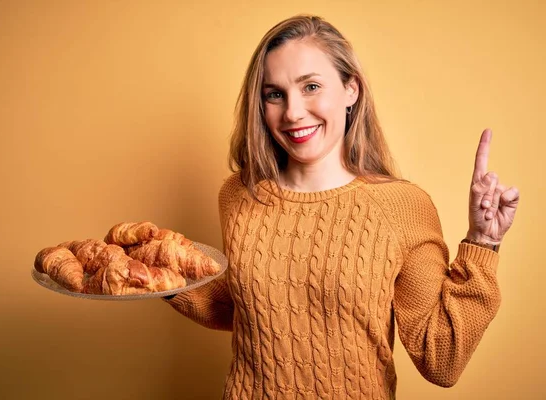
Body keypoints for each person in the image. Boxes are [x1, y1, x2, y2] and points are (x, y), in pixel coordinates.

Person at [164, 14, 520, 400]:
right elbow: (247, 307)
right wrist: (157, 272)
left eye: (311, 86)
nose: (293, 112)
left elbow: (442, 360)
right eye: (274, 94)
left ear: (351, 89)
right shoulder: (239, 193)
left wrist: (483, 242)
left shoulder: (401, 207)